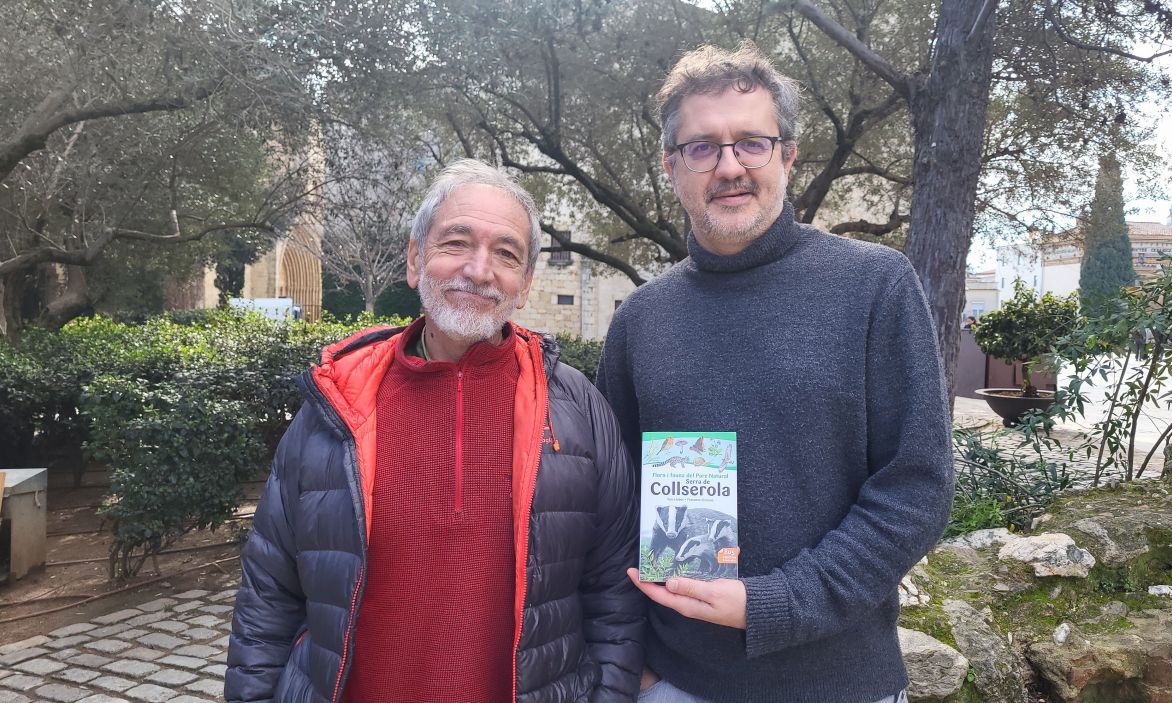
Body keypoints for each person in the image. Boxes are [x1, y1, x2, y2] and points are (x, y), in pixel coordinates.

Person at [594, 43, 953, 703]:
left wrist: (775, 603)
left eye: (750, 143)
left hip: (842, 685)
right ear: (673, 168)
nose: (729, 166)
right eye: (702, 148)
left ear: (788, 155)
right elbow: (610, 505)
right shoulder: (640, 320)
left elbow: (916, 490)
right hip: (676, 684)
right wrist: (636, 669)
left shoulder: (874, 286)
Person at [226, 159, 644, 703]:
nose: (479, 269)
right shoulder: (338, 401)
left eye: (506, 254)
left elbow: (614, 594)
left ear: (525, 284)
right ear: (414, 259)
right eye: (456, 242)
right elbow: (268, 594)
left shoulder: (578, 409)